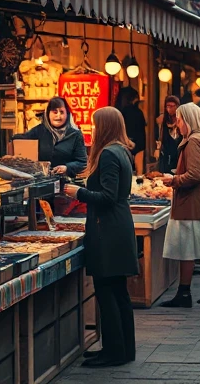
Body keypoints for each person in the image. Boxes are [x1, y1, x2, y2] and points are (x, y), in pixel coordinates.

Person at [63, 107, 138, 368]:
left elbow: (108, 196)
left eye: (95, 125)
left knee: (107, 291)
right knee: (119, 292)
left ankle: (114, 352)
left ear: (104, 126)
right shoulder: (121, 150)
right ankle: (123, 348)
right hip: (117, 226)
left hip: (108, 229)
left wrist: (78, 193)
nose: (92, 129)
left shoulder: (108, 154)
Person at [158, 103, 200, 307]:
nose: (177, 124)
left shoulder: (194, 141)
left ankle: (184, 293)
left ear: (188, 120)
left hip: (192, 202)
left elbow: (194, 175)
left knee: (186, 248)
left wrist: (174, 179)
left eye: (179, 119)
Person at [12, 97, 87, 177]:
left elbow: (82, 162)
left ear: (67, 114)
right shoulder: (39, 131)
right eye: (55, 112)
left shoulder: (75, 134)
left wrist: (67, 168)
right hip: (40, 182)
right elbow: (20, 139)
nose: (58, 115)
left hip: (65, 183)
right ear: (48, 114)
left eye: (62, 112)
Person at [115, 87, 147, 171]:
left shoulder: (117, 112)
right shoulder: (137, 112)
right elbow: (141, 133)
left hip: (119, 145)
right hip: (137, 145)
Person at [155, 96, 183, 174]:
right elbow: (160, 137)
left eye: (172, 106)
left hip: (178, 152)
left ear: (177, 106)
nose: (169, 109)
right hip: (167, 154)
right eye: (167, 106)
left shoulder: (181, 119)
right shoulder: (164, 120)